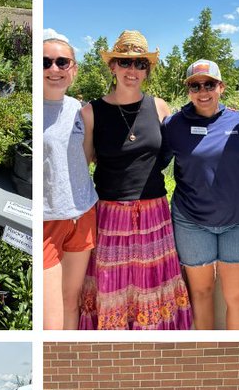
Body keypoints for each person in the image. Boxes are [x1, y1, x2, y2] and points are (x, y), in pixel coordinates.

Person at [79, 30, 192, 329]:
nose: (133, 71)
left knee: (153, 290)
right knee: (111, 289)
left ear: (147, 70)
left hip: (154, 213)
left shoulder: (160, 107)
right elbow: (81, 166)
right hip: (109, 215)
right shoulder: (91, 113)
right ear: (112, 66)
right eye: (125, 63)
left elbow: (176, 150)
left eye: (140, 64)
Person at [161, 60, 239, 329]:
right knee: (201, 296)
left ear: (221, 87)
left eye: (209, 84)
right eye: (195, 85)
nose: (203, 91)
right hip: (191, 222)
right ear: (188, 90)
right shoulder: (173, 126)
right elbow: (151, 162)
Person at [43, 30, 98, 330]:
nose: (54, 69)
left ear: (73, 69)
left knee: (71, 301)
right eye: (45, 62)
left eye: (62, 62)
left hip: (82, 213)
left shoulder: (80, 110)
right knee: (50, 323)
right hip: (47, 221)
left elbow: (87, 157)